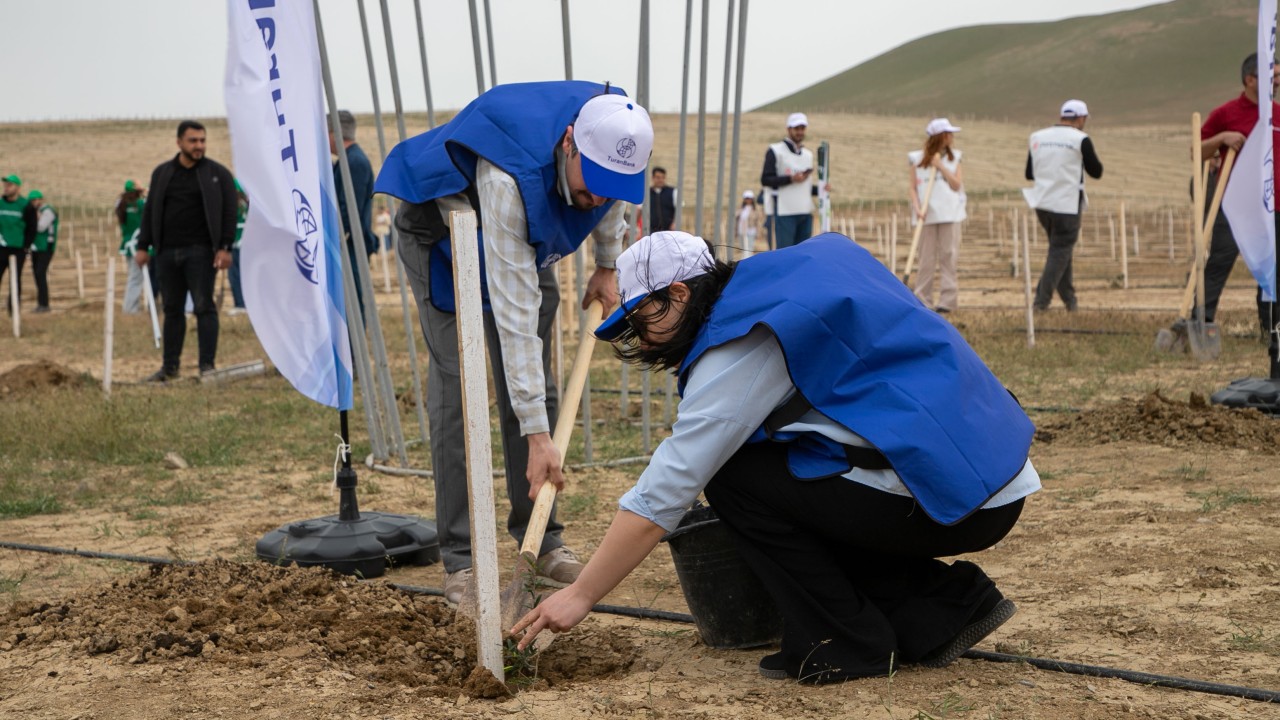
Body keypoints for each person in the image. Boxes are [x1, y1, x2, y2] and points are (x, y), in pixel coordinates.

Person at [511, 230, 1040, 683]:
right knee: (789, 472)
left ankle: (846, 643)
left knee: (736, 480)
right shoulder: (781, 283)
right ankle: (941, 608)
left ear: (676, 294)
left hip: (956, 492)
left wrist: (581, 595)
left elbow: (662, 496)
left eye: (643, 319)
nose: (644, 343)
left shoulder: (740, 345)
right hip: (989, 465)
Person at [375, 81, 652, 606]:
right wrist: (537, 437)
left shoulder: (614, 139)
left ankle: (541, 538)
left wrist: (607, 263)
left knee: (536, 390)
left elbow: (613, 203)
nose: (596, 197)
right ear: (570, 142)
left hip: (522, 235)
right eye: (591, 182)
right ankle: (461, 559)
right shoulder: (508, 179)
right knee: (460, 388)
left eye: (610, 187)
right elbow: (514, 312)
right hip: (442, 226)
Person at [134, 120, 237, 381]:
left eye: (202, 140)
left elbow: (229, 213)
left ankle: (207, 367)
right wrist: (142, 246)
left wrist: (225, 247)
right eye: (193, 141)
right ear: (179, 142)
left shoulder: (218, 174)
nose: (199, 146)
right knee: (172, 310)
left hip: (201, 253)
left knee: (204, 307)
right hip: (167, 253)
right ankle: (170, 368)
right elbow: (150, 211)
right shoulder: (162, 174)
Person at [1195, 52, 1280, 343]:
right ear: (1250, 80)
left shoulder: (1278, 114)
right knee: (1220, 259)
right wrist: (1221, 139)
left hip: (1274, 206)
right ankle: (1199, 321)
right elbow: (1195, 151)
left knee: (1273, 270)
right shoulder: (1226, 113)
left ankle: (1272, 331)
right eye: (1274, 75)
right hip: (1235, 205)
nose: (1278, 81)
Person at [1023, 100, 1104, 312]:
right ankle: (1041, 303)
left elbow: (1029, 173)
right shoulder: (1081, 139)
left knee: (1060, 252)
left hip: (1042, 203)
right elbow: (1096, 171)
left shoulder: (1037, 137)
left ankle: (1070, 301)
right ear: (1081, 118)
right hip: (1067, 204)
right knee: (1059, 252)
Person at [909, 118, 967, 314]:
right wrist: (917, 208)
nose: (952, 137)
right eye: (948, 133)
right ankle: (922, 299)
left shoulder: (954, 158)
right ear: (940, 136)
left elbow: (956, 185)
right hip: (926, 215)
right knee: (926, 258)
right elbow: (912, 188)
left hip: (950, 214)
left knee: (948, 257)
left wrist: (940, 166)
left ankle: (947, 301)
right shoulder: (916, 159)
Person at [330, 110, 376, 316]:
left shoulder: (354, 162)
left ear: (335, 133)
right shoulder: (347, 160)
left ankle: (354, 349)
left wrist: (337, 237)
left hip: (349, 246)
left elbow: (349, 209)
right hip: (346, 245)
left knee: (351, 304)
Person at [760, 112, 817, 249]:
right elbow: (766, 179)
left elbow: (806, 186)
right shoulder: (775, 151)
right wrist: (791, 179)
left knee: (802, 256)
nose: (799, 132)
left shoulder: (808, 155)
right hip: (783, 212)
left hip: (804, 211)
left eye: (802, 128)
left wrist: (821, 189)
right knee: (783, 255)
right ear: (788, 129)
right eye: (796, 128)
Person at [0, 174, 36, 313]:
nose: (7, 188)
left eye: (10, 185)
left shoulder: (26, 206)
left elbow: (32, 227)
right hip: (1, 247)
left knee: (14, 280)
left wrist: (26, 246)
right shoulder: (0, 203)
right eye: (5, 185)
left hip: (17, 249)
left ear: (18, 188)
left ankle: (13, 309)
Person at [117, 180, 148, 315]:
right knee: (136, 278)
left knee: (133, 276)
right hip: (138, 245)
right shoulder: (140, 205)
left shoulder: (121, 206)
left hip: (127, 244)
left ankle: (130, 308)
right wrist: (144, 190)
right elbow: (152, 202)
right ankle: (130, 310)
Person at [27, 190, 57, 313]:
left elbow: (40, 227)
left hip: (46, 248)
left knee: (40, 273)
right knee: (37, 274)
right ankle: (41, 303)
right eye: (32, 201)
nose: (34, 203)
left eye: (36, 200)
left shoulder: (48, 211)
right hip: (36, 247)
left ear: (41, 200)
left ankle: (44, 304)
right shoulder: (35, 212)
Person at [226, 180, 249, 316]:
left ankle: (240, 303)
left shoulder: (235, 206)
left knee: (235, 275)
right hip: (243, 243)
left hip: (237, 243)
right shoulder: (246, 204)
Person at [648, 166, 676, 232]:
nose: (660, 180)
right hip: (651, 230)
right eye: (658, 177)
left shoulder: (673, 192)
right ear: (653, 178)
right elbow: (639, 210)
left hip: (669, 231)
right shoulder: (647, 193)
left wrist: (674, 223)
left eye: (663, 177)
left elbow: (678, 210)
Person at [735, 189, 760, 254]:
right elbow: (736, 217)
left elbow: (757, 222)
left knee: (749, 248)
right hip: (741, 231)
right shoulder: (740, 209)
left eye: (750, 198)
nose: (748, 200)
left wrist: (757, 232)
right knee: (743, 248)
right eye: (747, 198)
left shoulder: (755, 210)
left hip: (751, 231)